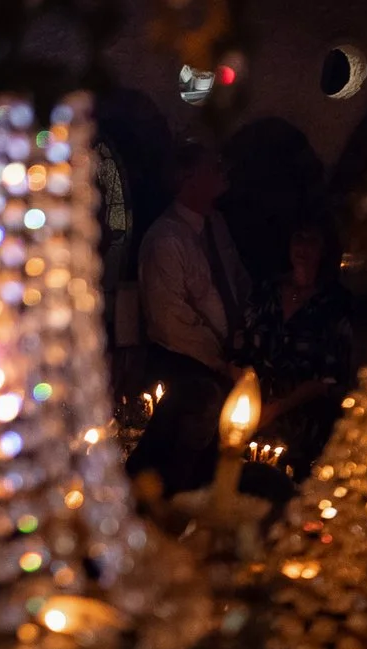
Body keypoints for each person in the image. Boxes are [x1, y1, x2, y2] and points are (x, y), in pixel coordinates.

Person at [133, 142, 253, 491]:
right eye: (210, 166)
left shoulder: (215, 224)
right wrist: (219, 362)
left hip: (226, 355)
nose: (221, 171)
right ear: (188, 179)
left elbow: (235, 279)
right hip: (187, 363)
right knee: (184, 446)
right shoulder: (165, 241)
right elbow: (171, 321)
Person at [243, 218, 364, 469]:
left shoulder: (336, 303)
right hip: (251, 400)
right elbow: (239, 347)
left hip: (302, 410)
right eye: (299, 237)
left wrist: (274, 409)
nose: (303, 248)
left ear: (325, 249)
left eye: (313, 241)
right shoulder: (268, 290)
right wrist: (248, 398)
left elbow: (328, 377)